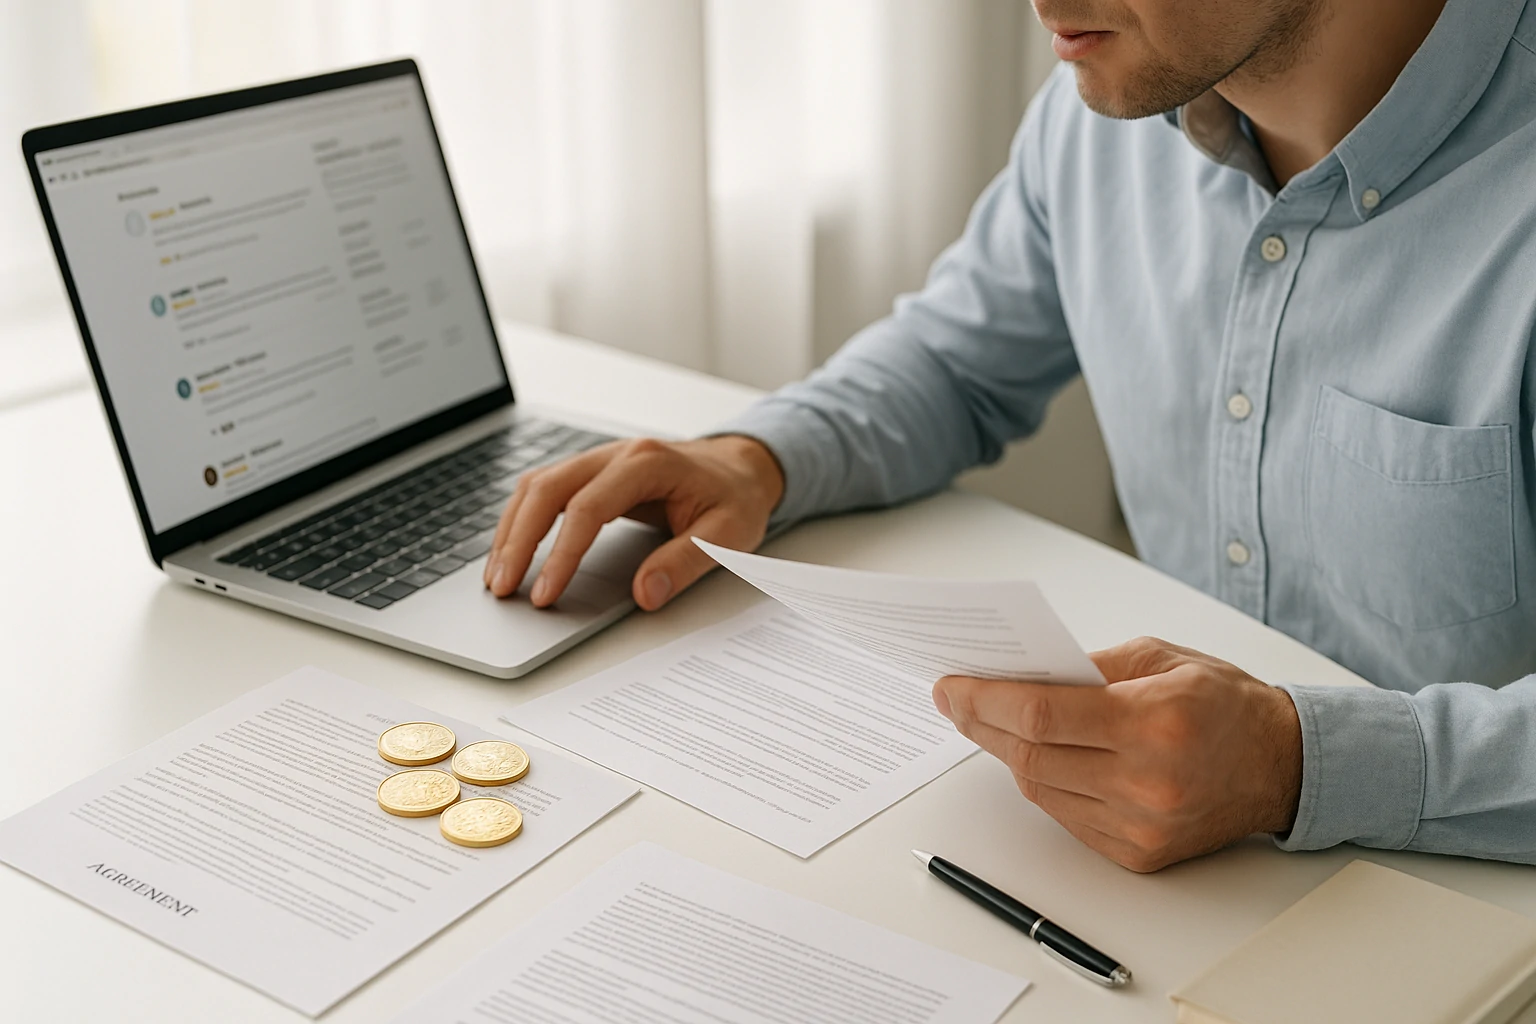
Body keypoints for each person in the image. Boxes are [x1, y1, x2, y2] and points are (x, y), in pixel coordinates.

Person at [483, 0, 1536, 871]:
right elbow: (956, 358)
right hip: (1175, 889)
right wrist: (759, 457)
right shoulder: (1111, 101)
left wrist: (1297, 762)